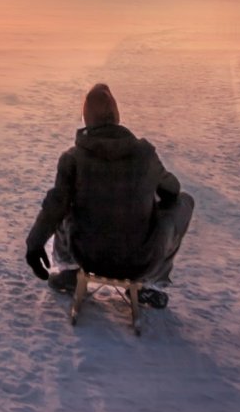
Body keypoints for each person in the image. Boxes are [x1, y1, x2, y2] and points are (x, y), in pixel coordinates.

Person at [24, 82, 194, 308]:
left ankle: (68, 268)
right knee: (184, 202)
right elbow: (172, 190)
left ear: (86, 119)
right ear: (116, 116)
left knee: (62, 202)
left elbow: (54, 207)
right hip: (140, 260)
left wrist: (34, 245)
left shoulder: (73, 158)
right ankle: (152, 284)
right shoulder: (144, 154)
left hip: (87, 255)